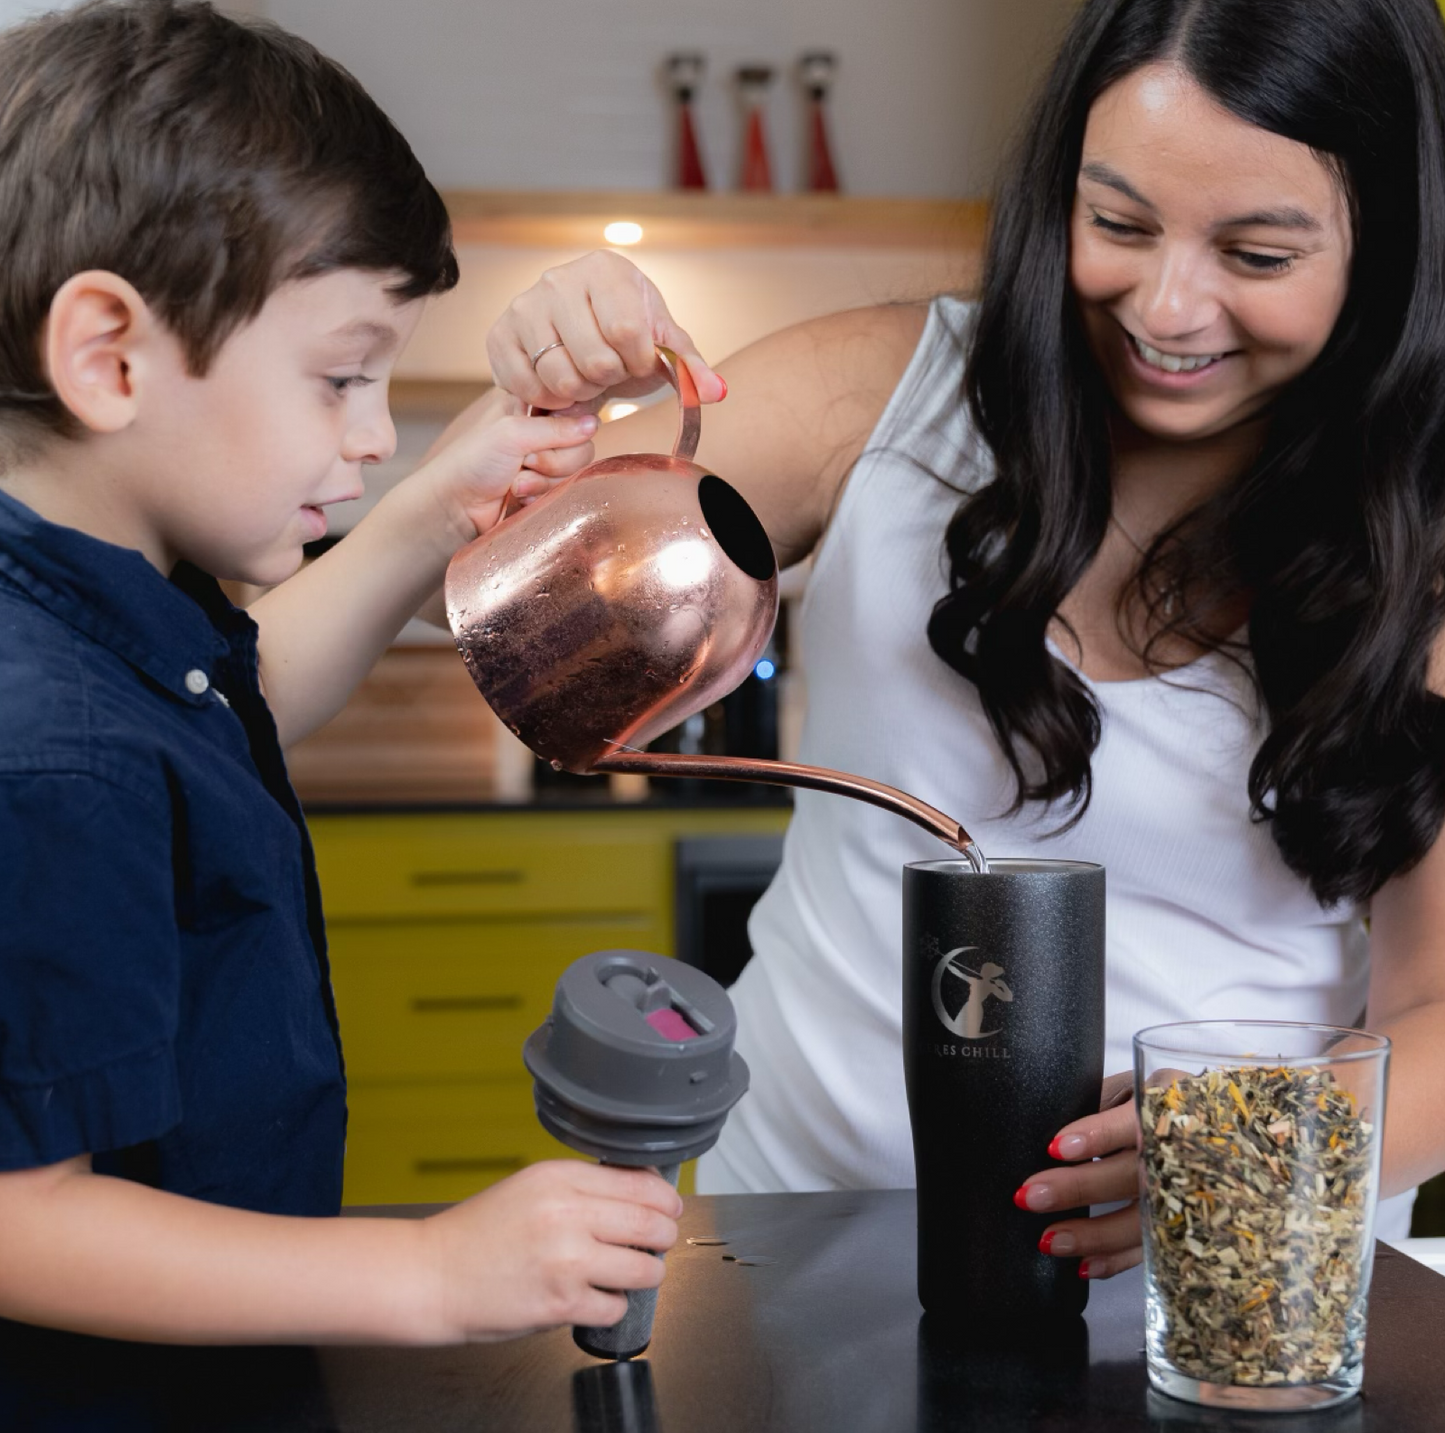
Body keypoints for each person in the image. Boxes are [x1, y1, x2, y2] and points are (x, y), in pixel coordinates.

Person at [487, 0, 1445, 1274]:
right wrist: (552, 390)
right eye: (1115, 222)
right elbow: (520, 584)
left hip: (1222, 1283)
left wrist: (1257, 1141)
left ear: (1383, 254)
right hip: (787, 1244)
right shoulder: (877, 394)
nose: (1165, 305)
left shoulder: (1422, 538)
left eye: (1256, 255)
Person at [0, 0, 681, 1343]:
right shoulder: (45, 754)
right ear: (111, 356)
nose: (372, 435)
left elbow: (237, 713)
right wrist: (424, 1276)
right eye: (340, 378)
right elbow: (21, 1214)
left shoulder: (100, 620)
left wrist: (437, 508)